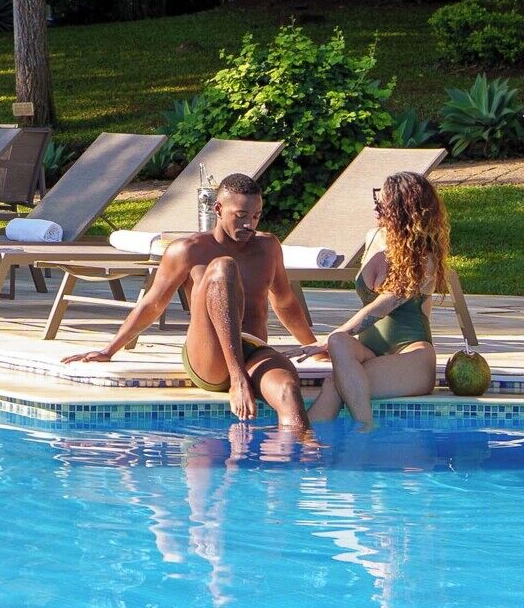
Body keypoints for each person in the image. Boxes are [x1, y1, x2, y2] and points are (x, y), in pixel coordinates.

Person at [62, 169, 321, 439]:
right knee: (223, 268)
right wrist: (110, 349)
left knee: (289, 389)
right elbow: (152, 304)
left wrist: (315, 347)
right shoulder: (188, 250)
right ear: (218, 209)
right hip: (209, 357)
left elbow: (285, 302)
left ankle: (303, 459)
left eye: (255, 216)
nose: (249, 225)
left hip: (252, 351)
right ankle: (237, 377)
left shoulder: (268, 247)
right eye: (241, 216)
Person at [316, 168, 452, 428]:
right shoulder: (373, 237)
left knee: (336, 385)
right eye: (377, 199)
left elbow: (384, 304)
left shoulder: (424, 258)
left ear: (404, 211)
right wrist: (333, 340)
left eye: (384, 203)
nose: (377, 207)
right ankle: (307, 444)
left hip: (410, 355)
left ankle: (355, 433)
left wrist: (333, 336)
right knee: (339, 344)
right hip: (369, 351)